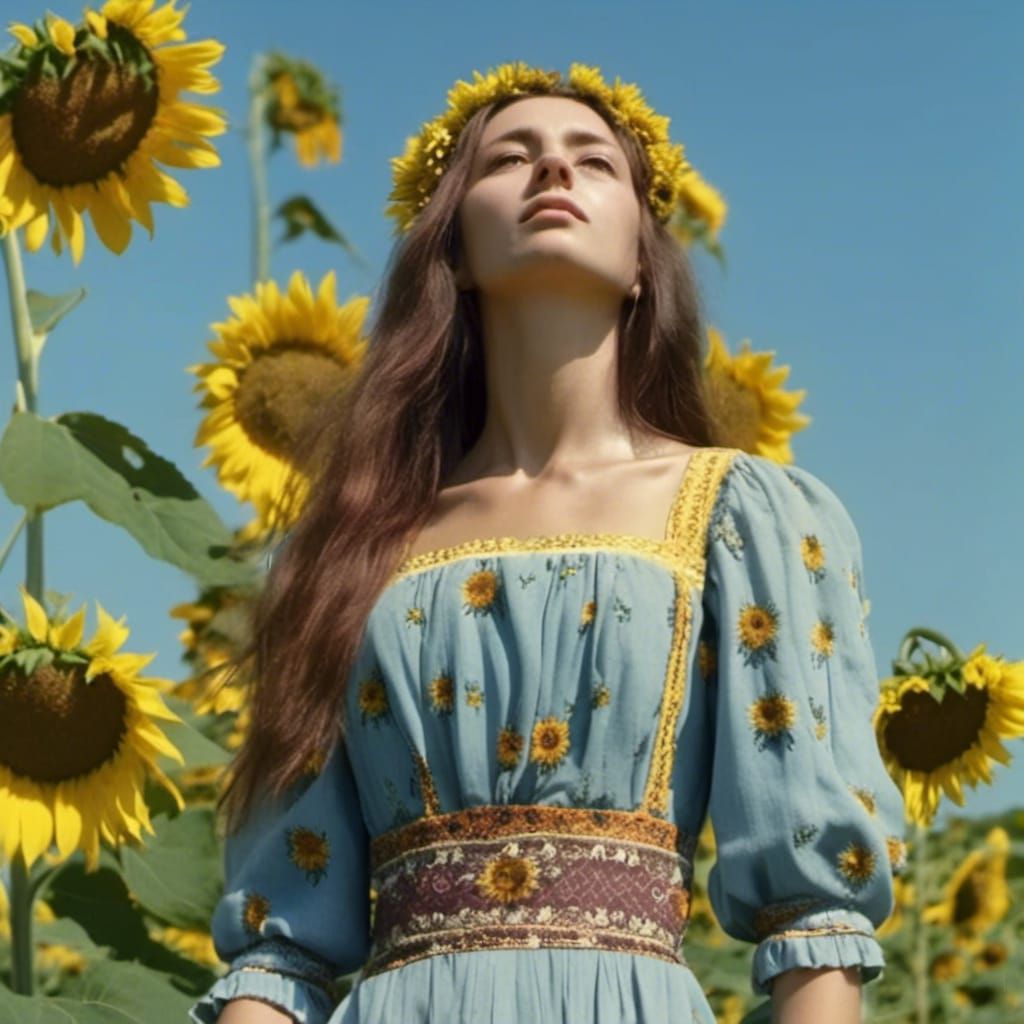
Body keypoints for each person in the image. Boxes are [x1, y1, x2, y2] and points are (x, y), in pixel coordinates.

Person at [188, 61, 907, 1024]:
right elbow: (278, 950)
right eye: (508, 158)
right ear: (452, 250)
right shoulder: (350, 547)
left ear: (644, 258)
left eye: (594, 160)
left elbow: (814, 914)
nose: (554, 171)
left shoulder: (743, 516)